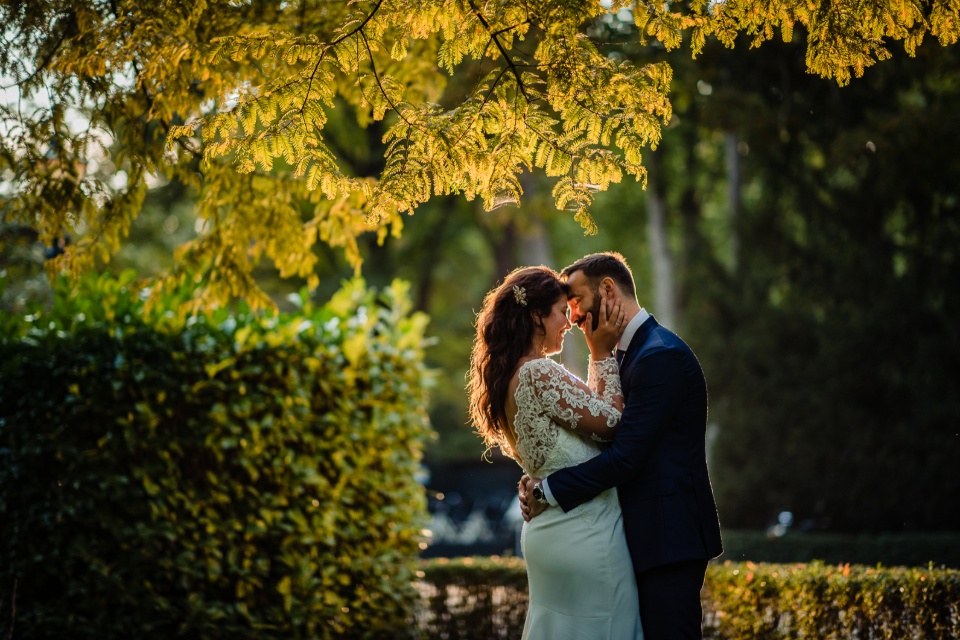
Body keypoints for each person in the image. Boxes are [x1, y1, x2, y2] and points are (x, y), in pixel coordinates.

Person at [519, 252, 723, 640]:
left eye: (576, 301)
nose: (574, 316)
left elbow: (626, 457)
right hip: (640, 539)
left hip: (667, 540)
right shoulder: (630, 354)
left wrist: (549, 490)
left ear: (608, 289)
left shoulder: (659, 356)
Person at [467, 265, 643, 640]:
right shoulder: (537, 373)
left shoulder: (511, 377)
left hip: (550, 533)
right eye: (563, 312)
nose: (570, 321)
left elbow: (578, 430)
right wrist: (601, 352)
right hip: (585, 536)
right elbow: (612, 424)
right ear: (535, 316)